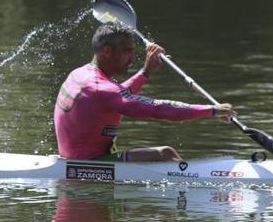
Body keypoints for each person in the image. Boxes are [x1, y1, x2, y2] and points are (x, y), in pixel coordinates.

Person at [54, 22, 235, 162]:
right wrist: (212, 110)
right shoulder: (101, 88)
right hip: (89, 165)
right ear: (107, 51)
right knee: (165, 154)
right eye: (127, 52)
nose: (132, 58)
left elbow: (116, 96)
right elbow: (157, 109)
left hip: (74, 160)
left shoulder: (81, 74)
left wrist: (145, 72)